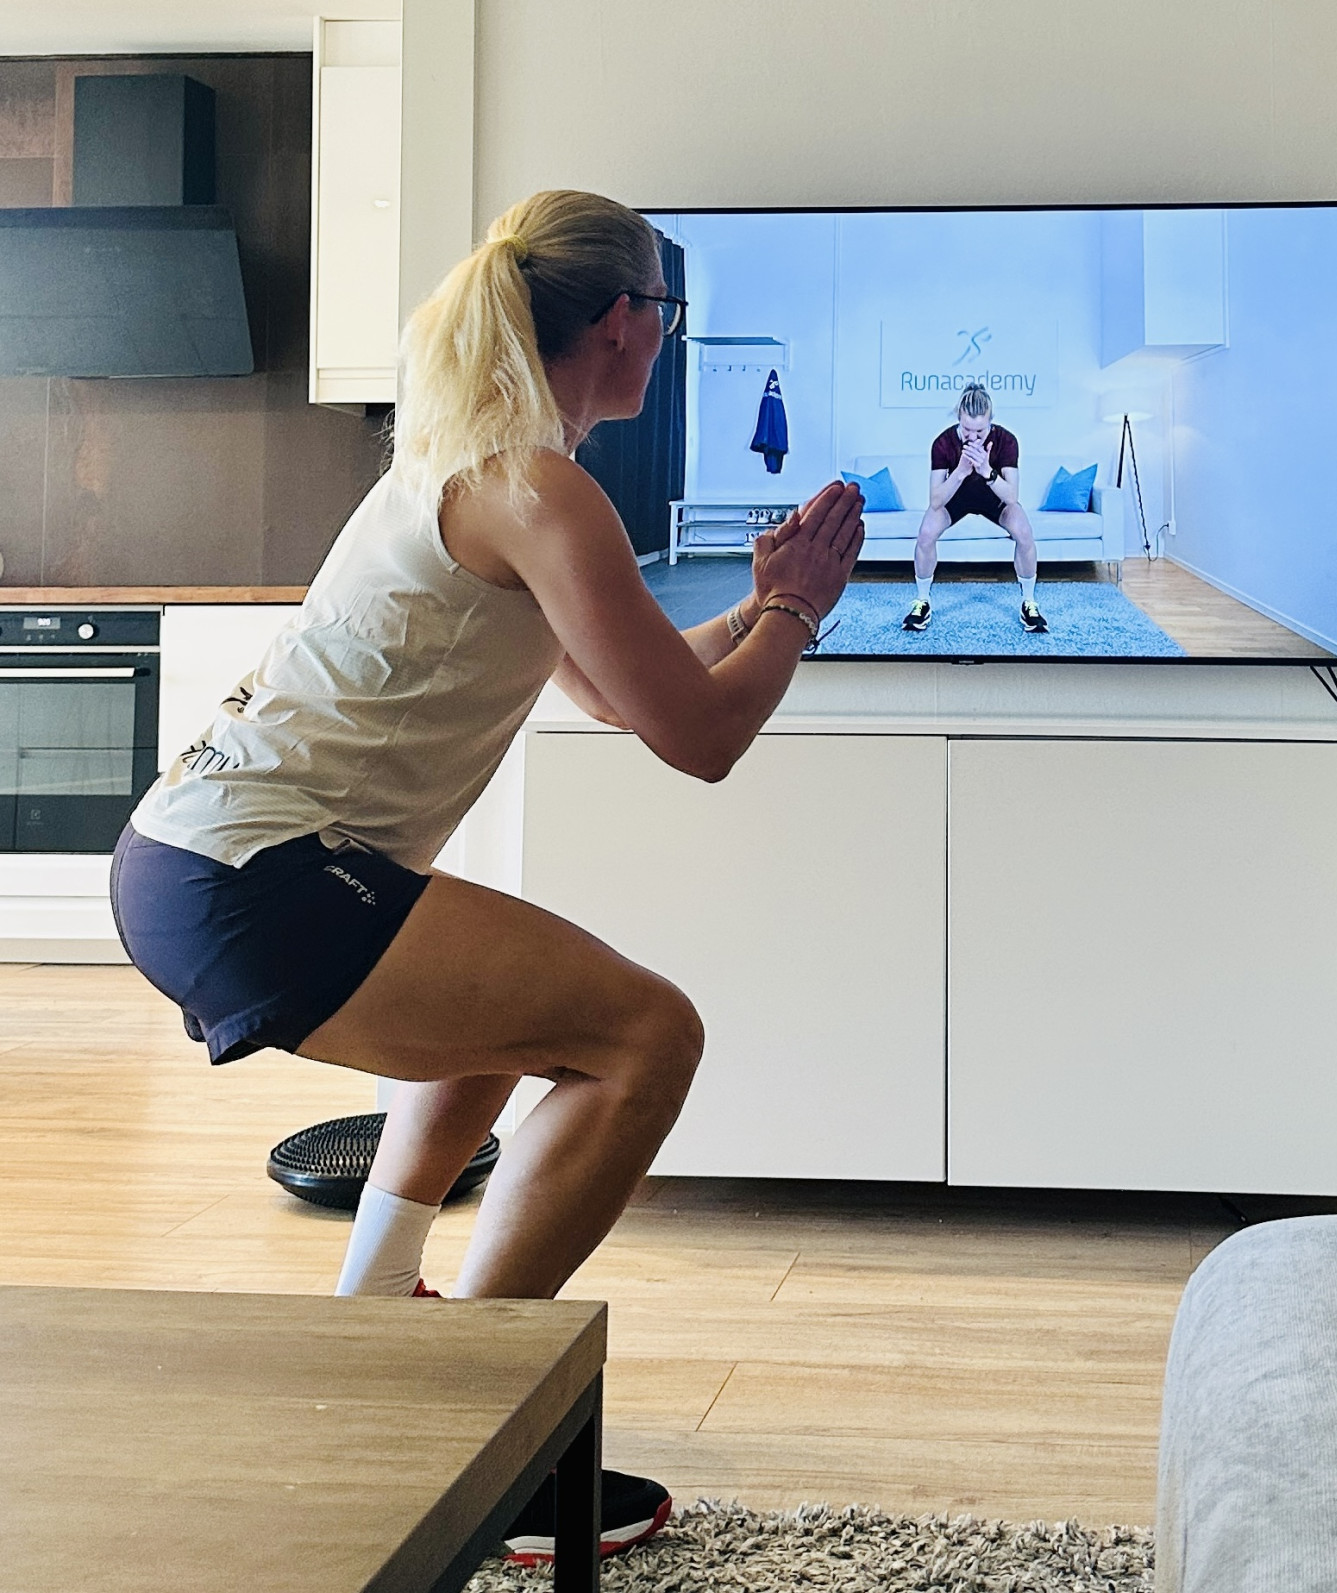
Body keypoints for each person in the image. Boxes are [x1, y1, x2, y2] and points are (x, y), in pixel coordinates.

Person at [107, 190, 865, 1564]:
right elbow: (697, 740)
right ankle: (475, 1434)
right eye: (668, 316)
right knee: (646, 1035)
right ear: (624, 320)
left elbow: (613, 689)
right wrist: (801, 609)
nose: (667, 340)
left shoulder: (480, 463)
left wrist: (761, 609)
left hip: (196, 860)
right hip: (258, 878)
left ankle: (378, 1323)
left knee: (507, 1022)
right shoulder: (539, 488)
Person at [903, 383, 1047, 634]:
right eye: (967, 429)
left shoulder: (1007, 440)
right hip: (956, 498)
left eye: (980, 431)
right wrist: (960, 471)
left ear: (990, 421)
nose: (973, 437)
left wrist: (986, 471)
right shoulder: (943, 443)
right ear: (959, 418)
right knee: (925, 534)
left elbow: (1011, 497)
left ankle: (1029, 602)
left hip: (995, 498)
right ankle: (922, 600)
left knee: (1024, 533)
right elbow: (936, 500)